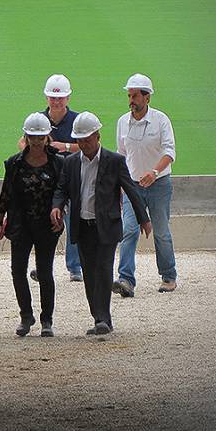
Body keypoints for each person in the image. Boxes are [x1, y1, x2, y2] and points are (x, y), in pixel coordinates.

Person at [50, 112, 151, 335]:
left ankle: (103, 319)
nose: (83, 145)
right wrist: (56, 206)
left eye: (87, 140)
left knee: (104, 269)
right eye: (80, 140)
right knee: (89, 273)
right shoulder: (71, 163)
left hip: (106, 225)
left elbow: (131, 190)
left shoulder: (115, 161)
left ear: (97, 136)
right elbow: (61, 189)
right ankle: (99, 317)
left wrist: (143, 218)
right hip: (82, 225)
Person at [0, 113, 65, 337]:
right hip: (20, 224)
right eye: (32, 137)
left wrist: (60, 213)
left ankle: (47, 319)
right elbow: (6, 193)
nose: (36, 142)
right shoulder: (14, 163)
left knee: (45, 272)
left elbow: (63, 193)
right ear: (26, 136)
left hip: (47, 225)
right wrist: (0, 220)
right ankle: (26, 316)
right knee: (18, 271)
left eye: (40, 137)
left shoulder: (58, 163)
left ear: (47, 137)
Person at [114, 73, 178, 298]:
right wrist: (121, 185)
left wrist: (154, 172)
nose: (131, 100)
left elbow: (170, 151)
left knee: (161, 232)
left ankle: (168, 276)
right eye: (129, 96)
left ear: (147, 97)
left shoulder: (161, 120)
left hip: (159, 184)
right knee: (128, 230)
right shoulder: (122, 122)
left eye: (135, 96)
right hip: (132, 186)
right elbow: (121, 155)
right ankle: (126, 279)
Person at [20, 74, 83, 283]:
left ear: (68, 98)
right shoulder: (38, 119)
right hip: (46, 178)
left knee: (73, 220)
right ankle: (43, 266)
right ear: (47, 98)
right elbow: (22, 143)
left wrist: (63, 146)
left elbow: (87, 145)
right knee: (44, 223)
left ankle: (75, 268)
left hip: (72, 177)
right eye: (53, 98)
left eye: (61, 98)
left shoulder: (77, 120)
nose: (56, 102)